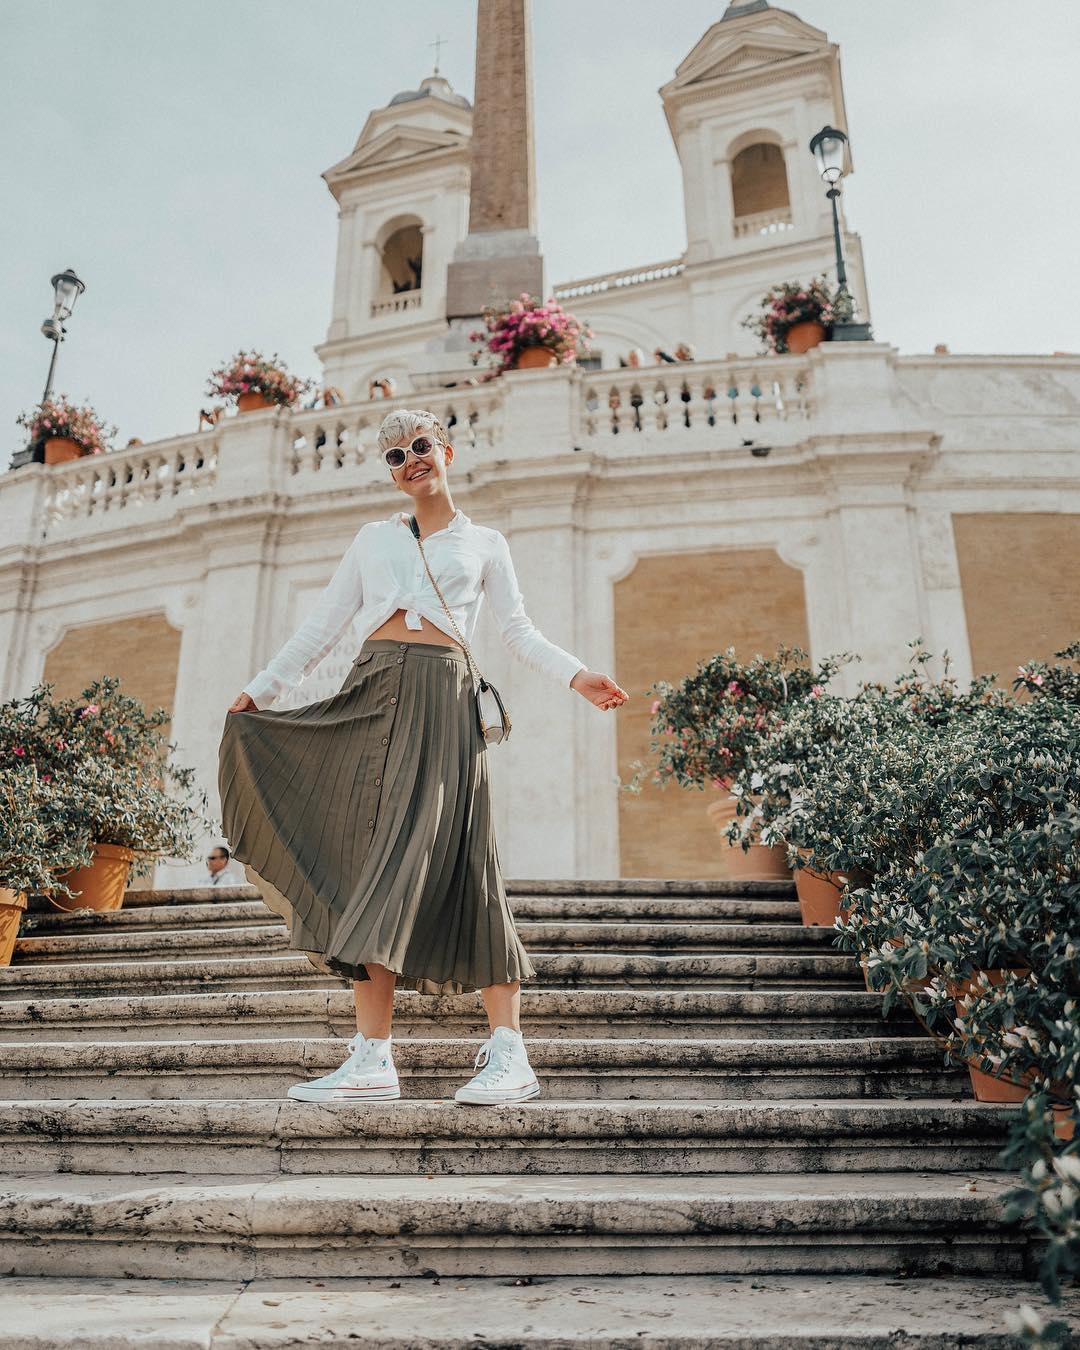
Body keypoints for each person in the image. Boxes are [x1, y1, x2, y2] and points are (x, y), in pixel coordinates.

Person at [218, 409, 628, 1107]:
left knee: (468, 864)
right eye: (394, 455)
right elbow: (324, 625)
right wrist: (260, 691)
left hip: (443, 701)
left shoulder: (486, 542)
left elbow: (517, 630)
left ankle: (510, 1055)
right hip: (371, 694)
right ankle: (373, 1059)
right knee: (364, 864)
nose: (409, 459)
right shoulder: (373, 539)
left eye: (419, 446)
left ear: (446, 452)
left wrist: (576, 673)